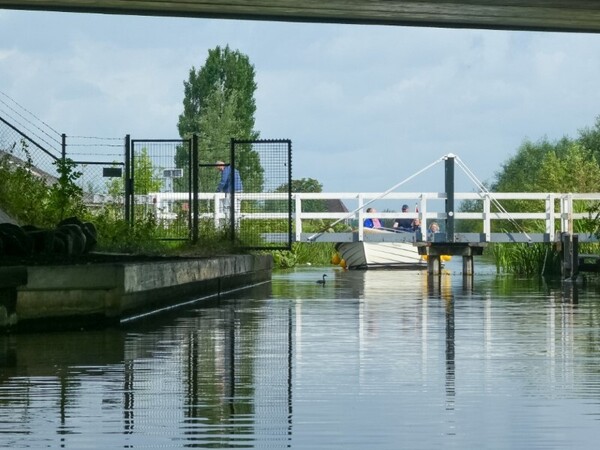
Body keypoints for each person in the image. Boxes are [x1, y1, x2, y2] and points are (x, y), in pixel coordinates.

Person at [216, 160, 243, 227]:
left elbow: (223, 181)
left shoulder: (225, 170)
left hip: (232, 192)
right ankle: (237, 227)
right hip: (239, 191)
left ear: (221, 166)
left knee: (227, 209)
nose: (220, 171)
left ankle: (227, 227)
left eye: (219, 169)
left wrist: (218, 191)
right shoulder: (233, 169)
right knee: (236, 210)